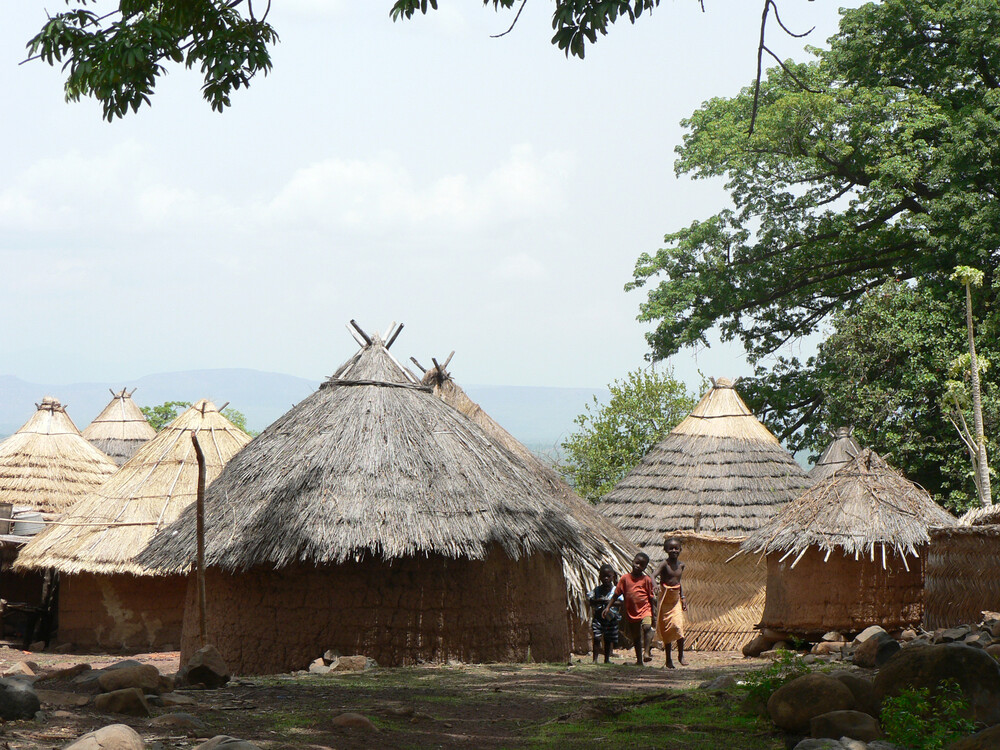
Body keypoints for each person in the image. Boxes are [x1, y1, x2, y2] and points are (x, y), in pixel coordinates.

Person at [604, 552, 656, 665]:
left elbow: (651, 598)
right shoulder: (625, 579)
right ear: (632, 562)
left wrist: (653, 613)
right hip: (632, 612)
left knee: (647, 627)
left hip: (645, 609)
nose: (638, 566)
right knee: (636, 637)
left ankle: (646, 652)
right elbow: (616, 595)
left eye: (641, 565)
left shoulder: (646, 580)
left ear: (645, 567)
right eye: (636, 563)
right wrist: (608, 607)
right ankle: (639, 661)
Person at [652, 536, 687, 668]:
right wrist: (655, 584)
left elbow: (679, 582)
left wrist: (683, 598)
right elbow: (652, 575)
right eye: (670, 548)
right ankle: (668, 659)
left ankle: (681, 655)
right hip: (665, 599)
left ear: (680, 549)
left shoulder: (681, 565)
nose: (673, 550)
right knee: (667, 630)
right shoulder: (664, 565)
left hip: (675, 600)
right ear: (665, 550)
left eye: (676, 548)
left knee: (678, 626)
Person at [587, 563, 622, 663]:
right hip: (598, 617)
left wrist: (609, 603)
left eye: (608, 576)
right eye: (603, 576)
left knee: (608, 639)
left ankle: (607, 659)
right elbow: (591, 601)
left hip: (611, 618)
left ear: (613, 577)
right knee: (597, 637)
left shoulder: (615, 590)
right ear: (600, 577)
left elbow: (621, 602)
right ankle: (595, 659)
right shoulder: (597, 590)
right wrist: (601, 601)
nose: (606, 578)